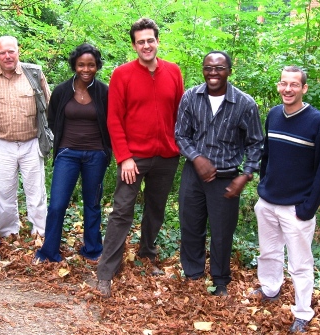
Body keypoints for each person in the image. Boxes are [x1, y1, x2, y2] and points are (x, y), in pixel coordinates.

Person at [96, 18, 184, 297]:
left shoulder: (173, 72)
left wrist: (179, 147)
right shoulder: (122, 74)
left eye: (150, 40)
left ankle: (147, 252)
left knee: (156, 209)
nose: (146, 45)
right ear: (134, 45)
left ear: (158, 41)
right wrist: (124, 157)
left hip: (167, 156)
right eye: (141, 41)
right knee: (122, 211)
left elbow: (181, 114)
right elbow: (114, 119)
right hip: (134, 158)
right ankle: (106, 271)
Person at [251, 66, 320, 333]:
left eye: (294, 85)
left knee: (299, 263)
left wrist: (309, 207)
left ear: (304, 88)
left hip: (296, 208)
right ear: (279, 86)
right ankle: (270, 289)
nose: (288, 89)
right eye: (284, 84)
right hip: (268, 202)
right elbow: (268, 155)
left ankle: (302, 312)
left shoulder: (318, 123)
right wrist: (262, 187)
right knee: (268, 253)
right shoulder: (274, 115)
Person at [175, 51, 264, 296]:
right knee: (190, 225)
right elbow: (181, 135)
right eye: (208, 67)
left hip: (226, 178)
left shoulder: (244, 103)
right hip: (194, 175)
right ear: (203, 69)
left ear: (229, 71)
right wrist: (197, 158)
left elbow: (256, 142)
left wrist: (245, 175)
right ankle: (193, 274)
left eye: (219, 68)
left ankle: (220, 280)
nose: (213, 73)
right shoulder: (191, 97)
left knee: (222, 231)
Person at [33, 43, 111, 262]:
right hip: (67, 153)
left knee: (92, 203)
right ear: (74, 66)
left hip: (96, 155)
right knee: (57, 204)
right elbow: (53, 119)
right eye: (81, 65)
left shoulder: (104, 92)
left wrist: (107, 151)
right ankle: (49, 251)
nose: (86, 69)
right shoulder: (62, 91)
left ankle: (93, 249)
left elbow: (112, 122)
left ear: (97, 66)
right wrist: (64, 144)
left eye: (91, 65)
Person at [0, 36, 51, 238]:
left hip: (32, 142)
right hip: (1, 143)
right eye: (2, 52)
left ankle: (40, 231)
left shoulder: (34, 73)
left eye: (11, 51)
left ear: (18, 51)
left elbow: (48, 104)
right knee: (4, 192)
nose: (7, 56)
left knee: (36, 191)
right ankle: (8, 232)